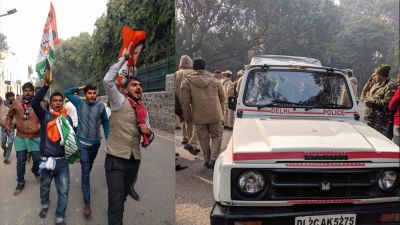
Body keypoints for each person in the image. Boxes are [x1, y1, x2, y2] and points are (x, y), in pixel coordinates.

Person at [103, 46, 154, 225]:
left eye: (140, 85)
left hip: (134, 161)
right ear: (125, 90)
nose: (138, 87)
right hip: (115, 160)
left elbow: (149, 136)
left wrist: (148, 133)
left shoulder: (143, 111)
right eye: (134, 85)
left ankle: (115, 209)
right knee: (116, 202)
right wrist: (124, 58)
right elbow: (107, 80)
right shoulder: (118, 101)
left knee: (121, 197)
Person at [33, 73, 75, 225]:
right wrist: (45, 86)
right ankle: (45, 204)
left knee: (63, 191)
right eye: (54, 101)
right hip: (46, 162)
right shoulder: (44, 116)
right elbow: (35, 103)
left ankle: (60, 216)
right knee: (44, 187)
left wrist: (73, 154)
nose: (57, 103)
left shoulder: (67, 119)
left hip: (62, 162)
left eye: (60, 101)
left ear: (63, 103)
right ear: (50, 103)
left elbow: (71, 139)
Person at [64, 84, 110, 217]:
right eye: (89, 93)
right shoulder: (79, 103)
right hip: (82, 142)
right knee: (85, 170)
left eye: (93, 93)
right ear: (85, 94)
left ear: (96, 94)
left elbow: (106, 123)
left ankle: (85, 176)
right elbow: (67, 92)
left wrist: (108, 139)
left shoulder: (101, 106)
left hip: (95, 143)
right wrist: (80, 87)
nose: (92, 95)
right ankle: (87, 204)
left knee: (89, 164)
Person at [181, 58, 225, 169]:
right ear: (205, 67)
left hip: (199, 116)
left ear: (193, 68)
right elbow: (223, 98)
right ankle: (213, 159)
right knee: (217, 136)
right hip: (215, 114)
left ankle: (207, 160)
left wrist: (188, 117)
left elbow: (185, 102)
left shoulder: (187, 82)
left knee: (203, 139)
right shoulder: (215, 81)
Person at [6, 82, 41, 195]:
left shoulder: (39, 103)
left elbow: (44, 116)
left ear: (33, 92)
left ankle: (35, 170)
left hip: (35, 137)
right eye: (25, 90)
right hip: (20, 137)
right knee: (21, 160)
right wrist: (7, 125)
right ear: (22, 91)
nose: (27, 92)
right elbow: (9, 115)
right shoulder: (16, 103)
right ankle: (20, 182)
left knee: (37, 159)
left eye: (30, 90)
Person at [175, 55, 200, 155]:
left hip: (178, 101)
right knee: (192, 123)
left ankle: (184, 137)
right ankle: (192, 144)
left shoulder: (175, 74)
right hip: (191, 101)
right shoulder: (193, 73)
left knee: (183, 120)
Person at [365, 64, 398, 138]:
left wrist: (371, 101)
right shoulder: (378, 84)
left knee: (380, 142)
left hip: (381, 123)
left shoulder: (390, 85)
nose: (374, 77)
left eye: (376, 75)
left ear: (381, 75)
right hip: (372, 119)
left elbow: (387, 103)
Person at [0, 94, 16, 164]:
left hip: (11, 127)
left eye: (13, 96)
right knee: (3, 143)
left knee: (10, 143)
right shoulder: (2, 104)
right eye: (11, 96)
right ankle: (5, 150)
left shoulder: (16, 105)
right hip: (3, 127)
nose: (12, 98)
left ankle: (6, 158)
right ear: (7, 97)